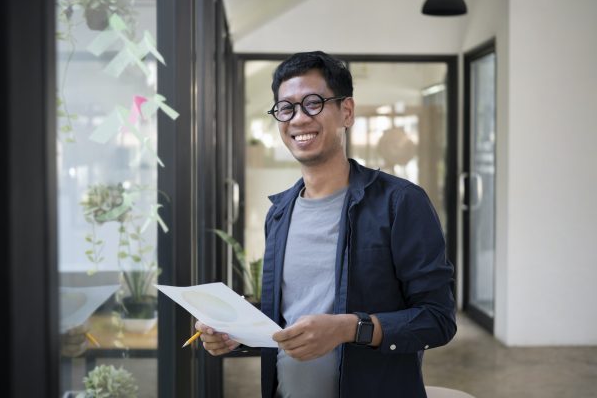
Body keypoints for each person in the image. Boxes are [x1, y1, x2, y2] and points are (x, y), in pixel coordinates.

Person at [196, 51, 457, 398]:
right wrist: (233, 335)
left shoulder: (400, 202)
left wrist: (348, 328)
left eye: (313, 103)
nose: (298, 119)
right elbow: (287, 323)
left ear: (346, 111)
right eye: (286, 108)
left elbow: (437, 319)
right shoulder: (280, 213)